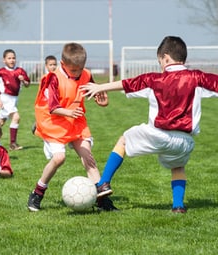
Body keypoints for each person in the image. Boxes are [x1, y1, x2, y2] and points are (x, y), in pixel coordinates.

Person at [80, 35, 218, 214]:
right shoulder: (198, 77)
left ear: (166, 57)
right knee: (178, 167)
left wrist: (100, 87)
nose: (160, 64)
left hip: (158, 134)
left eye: (160, 60)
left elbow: (127, 84)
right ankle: (178, 206)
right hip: (185, 141)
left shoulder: (154, 79)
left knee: (123, 141)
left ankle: (103, 183)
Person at [28, 42, 117, 212]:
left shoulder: (85, 74)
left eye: (80, 69)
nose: (78, 73)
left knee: (88, 156)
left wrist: (102, 100)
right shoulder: (53, 79)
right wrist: (68, 113)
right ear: (63, 65)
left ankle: (102, 201)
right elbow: (53, 107)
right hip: (53, 122)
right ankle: (37, 193)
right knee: (59, 158)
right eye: (74, 70)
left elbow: (95, 91)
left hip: (76, 121)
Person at [0, 49, 30, 151]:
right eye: (9, 58)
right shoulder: (0, 72)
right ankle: (12, 144)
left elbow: (28, 85)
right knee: (16, 117)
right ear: (4, 60)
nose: (12, 60)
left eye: (13, 58)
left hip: (14, 99)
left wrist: (23, 80)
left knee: (0, 122)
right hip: (5, 98)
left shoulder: (20, 71)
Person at [31, 55, 58, 135]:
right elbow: (41, 91)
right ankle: (37, 126)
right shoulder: (44, 78)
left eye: (54, 65)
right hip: (46, 103)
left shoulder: (58, 77)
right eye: (51, 65)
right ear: (46, 66)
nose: (53, 67)